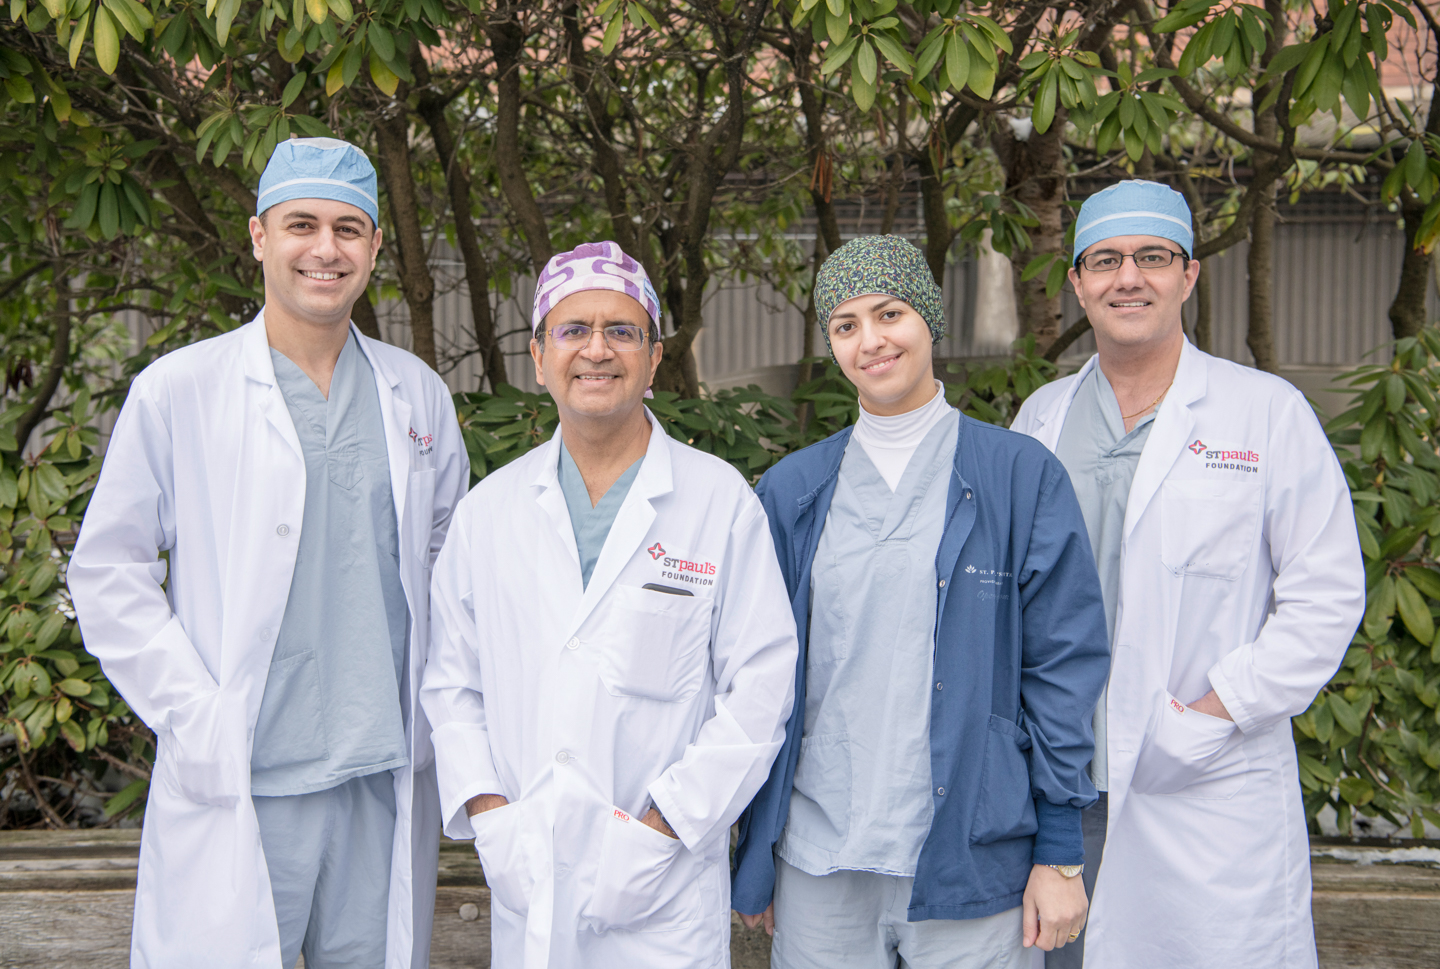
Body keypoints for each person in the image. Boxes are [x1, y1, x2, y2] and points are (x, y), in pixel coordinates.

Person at [68, 138, 468, 969]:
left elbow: (451, 571)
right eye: (302, 224)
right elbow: (108, 569)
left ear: (374, 249)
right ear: (259, 237)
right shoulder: (181, 389)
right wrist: (193, 713)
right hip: (246, 773)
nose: (326, 249)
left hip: (381, 772)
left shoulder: (415, 392)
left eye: (349, 229)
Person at [1012, 179, 1366, 969]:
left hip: (1198, 773)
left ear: (1189, 275)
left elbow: (1326, 595)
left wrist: (1212, 712)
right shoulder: (1040, 419)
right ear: (1076, 282)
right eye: (1103, 260)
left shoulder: (1264, 413)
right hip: (1061, 783)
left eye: (1152, 257)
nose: (1127, 277)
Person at [731, 235, 1111, 968]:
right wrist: (755, 851)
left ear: (928, 319)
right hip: (820, 858)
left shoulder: (1017, 476)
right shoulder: (793, 491)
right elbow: (754, 681)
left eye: (890, 312)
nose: (870, 340)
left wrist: (1060, 849)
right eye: (845, 325)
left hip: (976, 860)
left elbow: (1063, 668)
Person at [420, 241, 799, 968]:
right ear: (538, 357)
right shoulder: (489, 511)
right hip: (528, 869)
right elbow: (451, 683)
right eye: (573, 330)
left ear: (655, 359)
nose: (597, 349)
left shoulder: (718, 502)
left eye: (621, 331)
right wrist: (493, 818)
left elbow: (760, 687)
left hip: (664, 885)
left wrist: (662, 827)